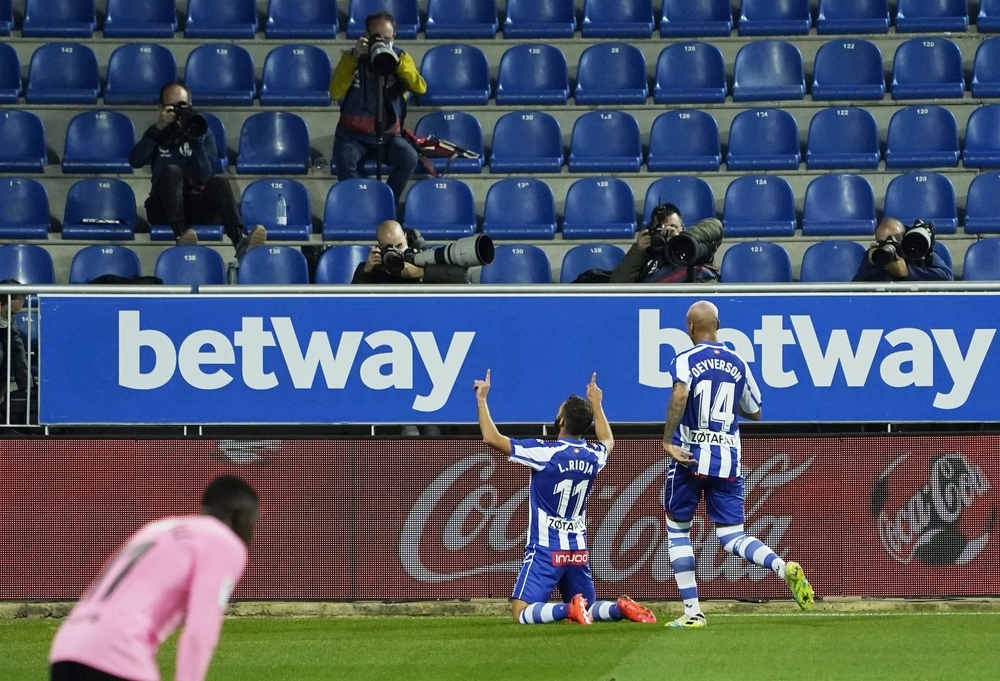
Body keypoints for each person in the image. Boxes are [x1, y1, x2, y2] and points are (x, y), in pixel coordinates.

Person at [660, 301, 813, 627]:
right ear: (719, 324)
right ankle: (781, 567)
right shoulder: (738, 361)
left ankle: (692, 613)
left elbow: (680, 395)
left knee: (677, 529)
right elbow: (755, 410)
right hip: (728, 459)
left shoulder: (684, 359)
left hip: (690, 457)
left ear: (690, 327)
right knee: (731, 537)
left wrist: (667, 440)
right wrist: (726, 399)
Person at [474, 369, 656, 626]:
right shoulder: (593, 456)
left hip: (547, 549)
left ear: (561, 421)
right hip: (577, 549)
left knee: (521, 612)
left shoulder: (546, 452)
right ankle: (619, 609)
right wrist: (597, 403)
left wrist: (482, 400)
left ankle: (566, 611)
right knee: (590, 608)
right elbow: (608, 440)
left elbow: (491, 438)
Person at [49, 475, 260, 681]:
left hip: (66, 650)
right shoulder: (223, 541)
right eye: (253, 522)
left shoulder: (158, 529)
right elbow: (199, 633)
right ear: (238, 516)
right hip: (118, 652)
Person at [129, 82, 266, 259]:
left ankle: (240, 240)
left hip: (197, 207)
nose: (179, 112)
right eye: (173, 107)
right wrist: (158, 127)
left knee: (219, 181)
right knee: (172, 170)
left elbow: (206, 176)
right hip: (163, 209)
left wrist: (194, 139)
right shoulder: (157, 133)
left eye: (183, 106)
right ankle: (180, 235)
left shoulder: (203, 134)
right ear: (161, 108)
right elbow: (135, 161)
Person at [330, 12, 427, 203]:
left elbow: (420, 88)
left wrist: (397, 64)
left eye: (388, 39)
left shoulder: (401, 58)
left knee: (409, 157)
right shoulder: (352, 58)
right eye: (378, 38)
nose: (383, 43)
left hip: (389, 136)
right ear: (367, 35)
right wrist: (354, 57)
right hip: (353, 135)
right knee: (345, 158)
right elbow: (335, 93)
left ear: (394, 38)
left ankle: (385, 204)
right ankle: (356, 208)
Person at [610, 206, 722, 284]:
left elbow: (716, 225)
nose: (667, 231)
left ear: (682, 227)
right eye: (661, 228)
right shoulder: (648, 256)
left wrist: (681, 239)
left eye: (673, 226)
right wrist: (638, 251)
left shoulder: (693, 246)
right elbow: (617, 285)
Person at [351, 220, 469, 284]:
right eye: (390, 248)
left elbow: (461, 277)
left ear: (406, 237)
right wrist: (366, 271)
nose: (397, 251)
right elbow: (352, 302)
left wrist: (421, 272)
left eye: (399, 245)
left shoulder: (422, 253)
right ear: (380, 248)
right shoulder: (376, 267)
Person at [853, 217, 953, 282]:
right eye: (884, 242)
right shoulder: (877, 255)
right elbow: (855, 289)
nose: (891, 244)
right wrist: (871, 265)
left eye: (896, 239)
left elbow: (947, 277)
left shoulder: (918, 249)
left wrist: (907, 272)